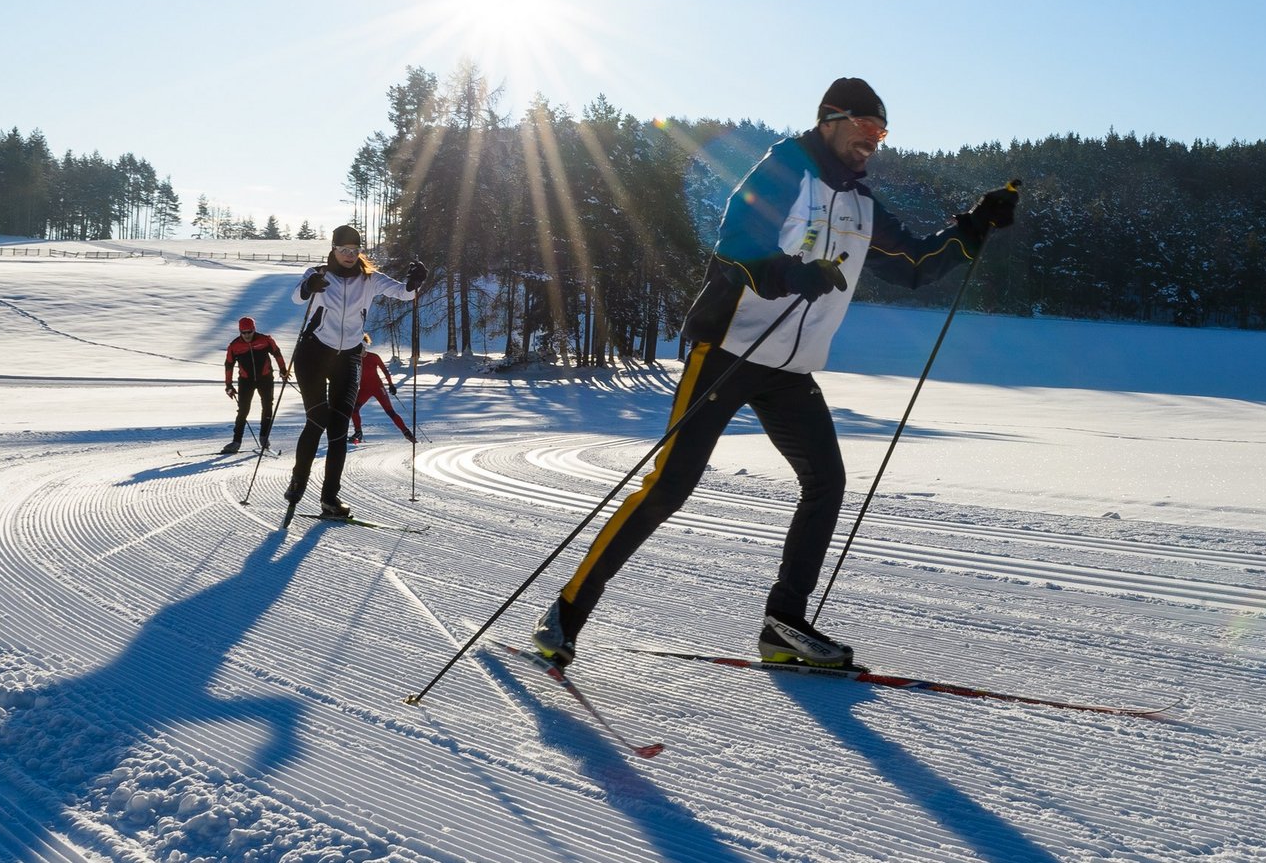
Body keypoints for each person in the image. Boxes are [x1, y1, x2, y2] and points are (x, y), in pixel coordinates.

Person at [533, 77, 1016, 669]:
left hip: (790, 369)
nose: (872, 143)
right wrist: (790, 274)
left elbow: (915, 265)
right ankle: (567, 611)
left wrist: (974, 226)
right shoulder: (785, 169)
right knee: (670, 486)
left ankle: (783, 626)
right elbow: (735, 245)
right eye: (865, 129)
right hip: (729, 351)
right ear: (830, 120)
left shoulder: (862, 205)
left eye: (881, 134)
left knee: (826, 482)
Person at [284, 225, 426, 519]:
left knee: (339, 428)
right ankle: (298, 481)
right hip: (313, 353)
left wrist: (414, 283)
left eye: (355, 250)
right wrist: (309, 287)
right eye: (344, 250)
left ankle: (330, 499)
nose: (350, 255)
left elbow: (402, 293)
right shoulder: (318, 274)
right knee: (317, 419)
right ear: (334, 249)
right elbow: (297, 297)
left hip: (348, 357)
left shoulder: (370, 279)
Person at [221, 316, 287, 454]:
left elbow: (277, 353)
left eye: (249, 332)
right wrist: (228, 385)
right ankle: (236, 442)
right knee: (243, 410)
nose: (246, 335)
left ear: (254, 329)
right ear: (240, 331)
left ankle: (264, 438)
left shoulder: (265, 340)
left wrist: (283, 370)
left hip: (265, 378)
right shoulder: (234, 346)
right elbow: (229, 366)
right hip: (246, 381)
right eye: (243, 332)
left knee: (268, 406)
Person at [349, 334, 414, 444]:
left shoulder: (374, 357)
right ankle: (358, 433)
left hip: (378, 389)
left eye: (360, 348)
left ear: (364, 346)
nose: (358, 350)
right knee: (354, 410)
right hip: (364, 389)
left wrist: (391, 385)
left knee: (390, 411)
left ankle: (406, 432)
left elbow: (385, 371)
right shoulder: (354, 359)